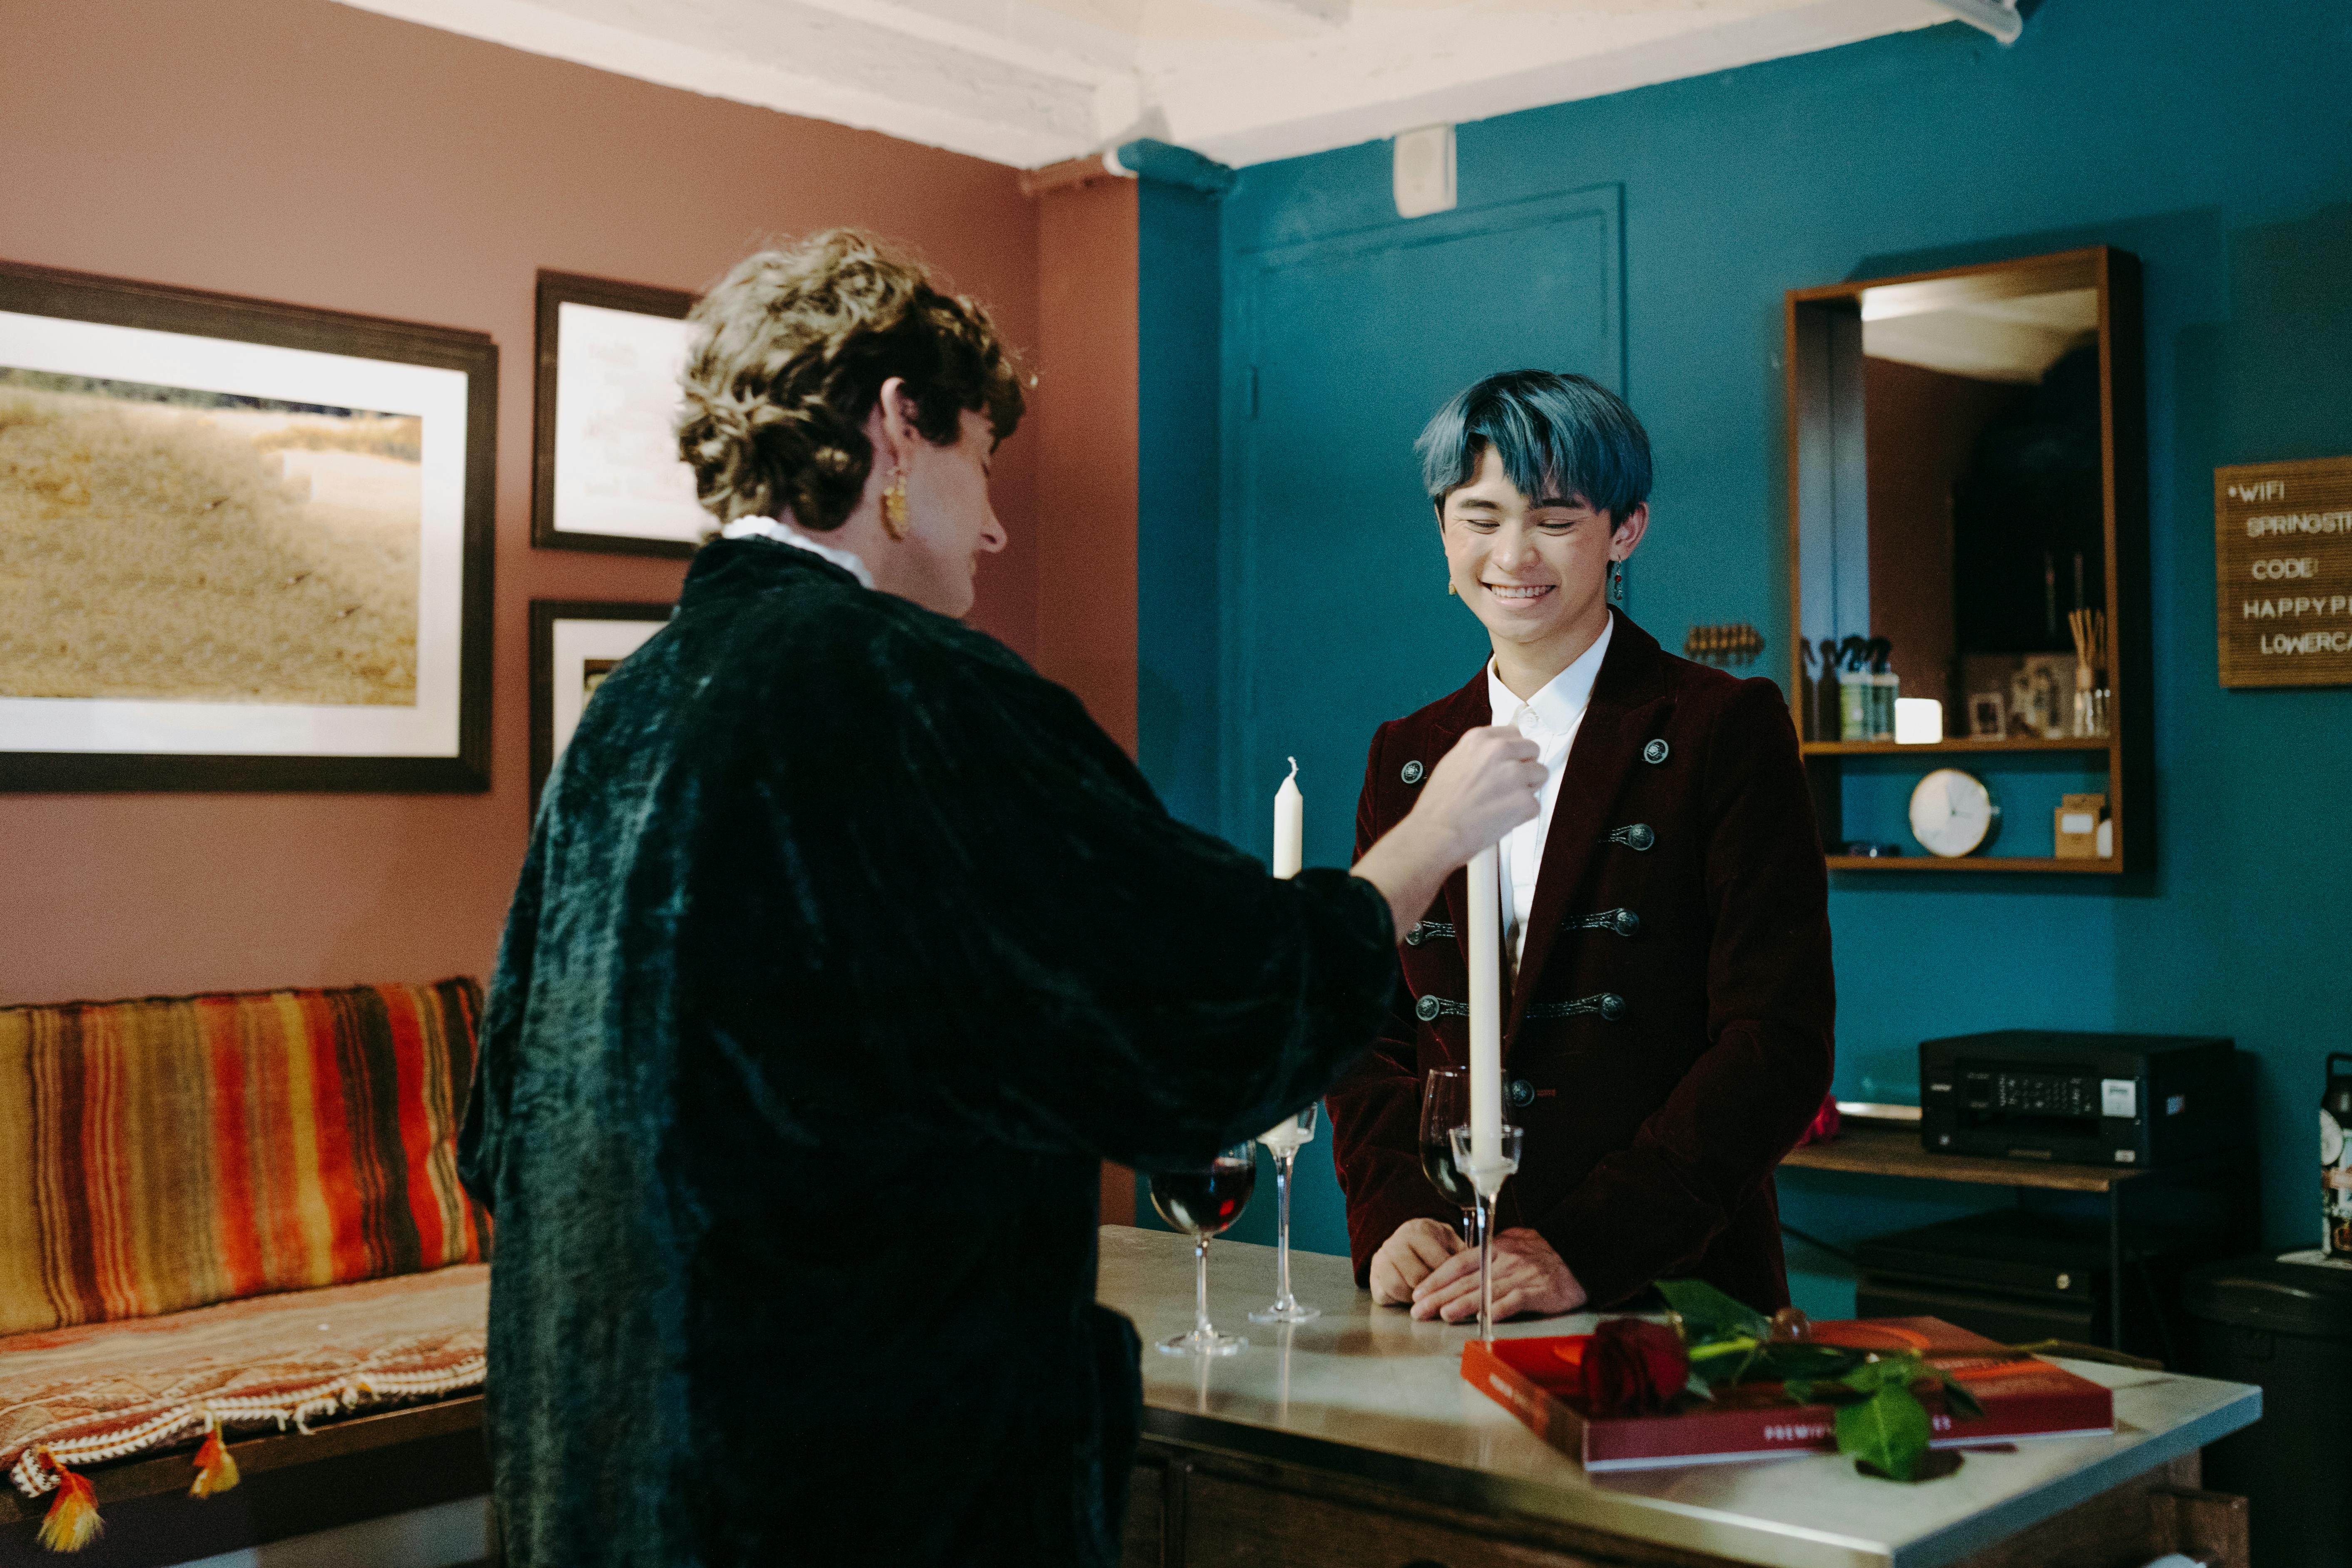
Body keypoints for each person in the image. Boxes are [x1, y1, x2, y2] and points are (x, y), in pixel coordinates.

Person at [456, 231, 1543, 1567]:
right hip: (846, 1489)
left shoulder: (625, 715)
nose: (994, 519)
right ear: (897, 430)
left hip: (601, 1481)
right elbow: (1205, 1020)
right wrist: (1426, 840)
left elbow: (497, 1125)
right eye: (982, 457)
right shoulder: (913, 693)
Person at [1324, 369, 1835, 1326]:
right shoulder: (1404, 754)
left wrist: (1585, 1248)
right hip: (1447, 1286)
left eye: (1553, 518)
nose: (1511, 553)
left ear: (1623, 530)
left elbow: (1776, 1041)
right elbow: (1366, 1023)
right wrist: (1391, 1210)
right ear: (1442, 531)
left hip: (1665, 1289)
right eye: (1479, 516)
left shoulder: (1724, 726)